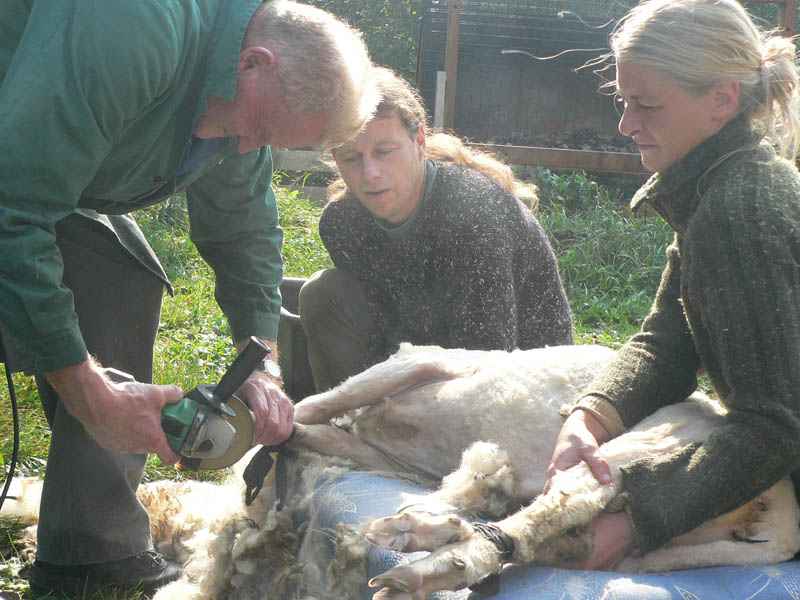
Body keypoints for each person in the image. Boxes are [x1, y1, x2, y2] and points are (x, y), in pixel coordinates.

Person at [0, 0, 376, 596]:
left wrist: (263, 365)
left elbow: (244, 229)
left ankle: (90, 547)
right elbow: (12, 209)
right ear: (253, 63)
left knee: (122, 273)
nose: (252, 149)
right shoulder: (134, 26)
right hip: (12, 174)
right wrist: (87, 391)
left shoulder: (241, 104)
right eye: (260, 132)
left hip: (35, 172)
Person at [545, 0, 800, 571]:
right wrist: (589, 417)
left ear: (721, 101)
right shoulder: (717, 188)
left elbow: (775, 425)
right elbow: (667, 343)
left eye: (647, 105)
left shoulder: (739, 213)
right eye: (624, 101)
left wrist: (637, 518)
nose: (626, 124)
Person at [298, 67, 574, 393]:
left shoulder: (475, 215)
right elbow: (382, 328)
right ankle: (340, 430)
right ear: (335, 158)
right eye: (352, 158)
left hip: (527, 384)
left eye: (384, 152)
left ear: (418, 141)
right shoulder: (342, 224)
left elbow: (488, 360)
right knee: (321, 292)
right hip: (415, 358)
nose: (369, 173)